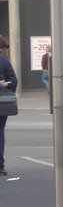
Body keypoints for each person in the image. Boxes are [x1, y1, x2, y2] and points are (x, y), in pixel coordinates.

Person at [0, 36, 17, 177]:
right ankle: (0, 166)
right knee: (0, 132)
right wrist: (8, 91)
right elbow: (14, 80)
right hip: (1, 103)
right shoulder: (4, 61)